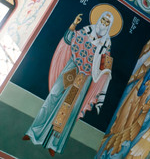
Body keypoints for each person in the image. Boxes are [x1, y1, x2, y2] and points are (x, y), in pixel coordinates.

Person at [24, 10, 117, 156]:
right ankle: (34, 132)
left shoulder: (106, 43)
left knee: (70, 108)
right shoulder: (86, 30)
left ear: (109, 26)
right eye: (103, 20)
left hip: (84, 78)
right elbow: (68, 40)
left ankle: (54, 143)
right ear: (99, 19)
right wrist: (74, 25)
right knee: (54, 96)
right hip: (72, 69)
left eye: (107, 22)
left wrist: (105, 71)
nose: (104, 24)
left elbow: (104, 67)